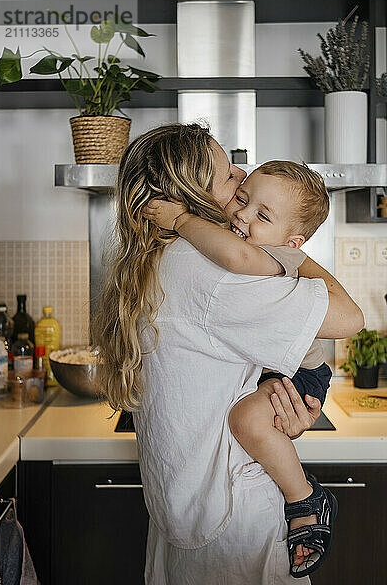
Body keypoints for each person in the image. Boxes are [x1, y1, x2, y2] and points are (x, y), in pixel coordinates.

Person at [93, 123, 364, 585]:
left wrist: (273, 406)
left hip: (182, 512)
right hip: (232, 519)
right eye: (227, 179)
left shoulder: (158, 259)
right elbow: (348, 317)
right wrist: (292, 254)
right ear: (196, 195)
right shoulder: (210, 272)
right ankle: (309, 501)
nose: (241, 175)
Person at [142, 159, 342, 577]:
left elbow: (349, 319)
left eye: (261, 214)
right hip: (274, 370)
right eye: (243, 198)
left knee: (249, 419)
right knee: (251, 418)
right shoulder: (232, 255)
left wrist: (181, 218)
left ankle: (305, 498)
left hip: (300, 373)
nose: (242, 216)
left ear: (293, 240)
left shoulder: (264, 257)